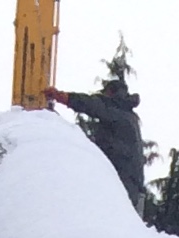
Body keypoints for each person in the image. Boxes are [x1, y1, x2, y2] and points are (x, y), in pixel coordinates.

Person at [53, 52, 145, 208]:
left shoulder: (117, 112)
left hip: (123, 183)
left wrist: (65, 97)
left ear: (111, 93)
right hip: (131, 184)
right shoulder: (130, 116)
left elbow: (94, 106)